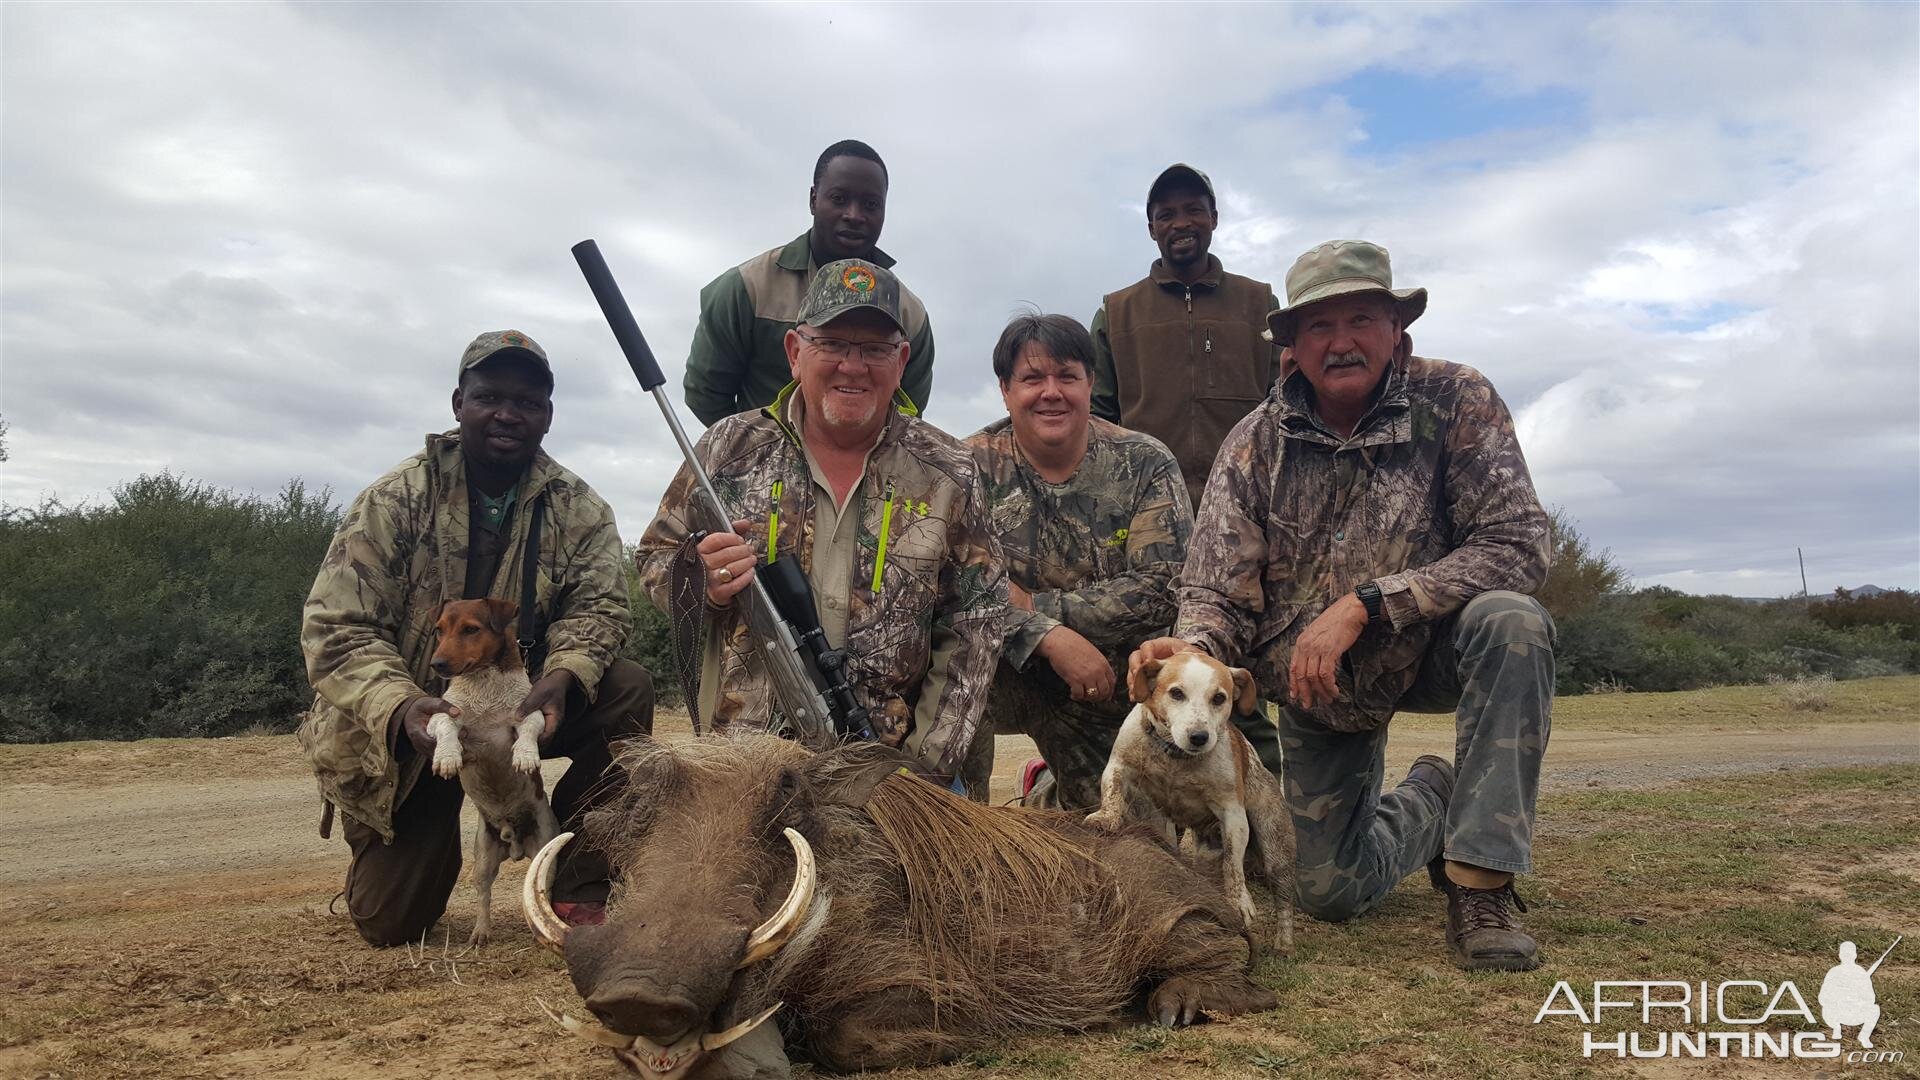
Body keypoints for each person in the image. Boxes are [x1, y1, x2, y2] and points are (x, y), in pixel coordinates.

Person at [1132, 240, 1556, 972]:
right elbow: (1211, 591)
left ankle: (1481, 882)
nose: (1341, 341)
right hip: (1319, 691)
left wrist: (1368, 604)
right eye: (1319, 327)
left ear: (1399, 331)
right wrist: (1190, 650)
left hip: (1432, 651)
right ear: (1291, 347)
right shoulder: (1253, 445)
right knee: (1327, 890)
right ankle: (1434, 798)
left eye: (1362, 318)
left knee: (1514, 623)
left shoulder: (1459, 401)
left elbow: (1519, 544)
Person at [298, 330, 653, 947]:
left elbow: (600, 610)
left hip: (518, 711)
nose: (508, 414)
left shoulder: (579, 506)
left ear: (548, 415)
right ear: (459, 402)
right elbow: (335, 629)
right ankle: (414, 846)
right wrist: (402, 707)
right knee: (393, 923)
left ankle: (578, 878)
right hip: (417, 733)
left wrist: (563, 676)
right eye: (490, 396)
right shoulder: (395, 498)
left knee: (625, 687)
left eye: (529, 402)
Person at [638, 260, 1002, 783]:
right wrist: (704, 582)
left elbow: (976, 623)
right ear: (794, 353)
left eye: (875, 349)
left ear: (901, 361)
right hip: (741, 765)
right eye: (831, 343)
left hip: (888, 772)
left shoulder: (950, 470)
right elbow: (655, 560)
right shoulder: (728, 447)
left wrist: (921, 771)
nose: (852, 366)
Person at [960, 313, 1191, 809]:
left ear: (1090, 383)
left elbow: (1163, 586)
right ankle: (961, 834)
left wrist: (1040, 608)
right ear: (1005, 389)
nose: (1051, 392)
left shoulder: (1145, 462)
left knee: (1129, 845)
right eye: (1031, 378)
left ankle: (1045, 792)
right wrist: (1047, 636)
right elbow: (955, 588)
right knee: (949, 666)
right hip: (1000, 673)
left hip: (1105, 684)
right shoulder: (964, 468)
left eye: (1066, 376)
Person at [683, 139, 936, 426]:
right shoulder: (746, 289)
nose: (854, 215)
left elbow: (908, 414)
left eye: (871, 204)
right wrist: (754, 454)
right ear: (814, 199)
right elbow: (705, 394)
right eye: (839, 199)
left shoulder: (909, 314)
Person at [1090, 162, 1281, 511]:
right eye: (1166, 215)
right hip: (1146, 505)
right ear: (1152, 229)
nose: (1181, 223)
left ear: (1214, 218)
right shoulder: (1116, 312)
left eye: (1194, 210)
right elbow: (1095, 417)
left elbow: (1284, 404)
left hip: (1249, 502)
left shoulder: (1260, 303)